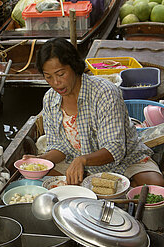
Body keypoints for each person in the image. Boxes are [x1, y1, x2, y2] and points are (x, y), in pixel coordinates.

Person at [25, 37, 164, 187]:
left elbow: (114, 149)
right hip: (78, 163)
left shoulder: (105, 93)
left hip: (126, 160)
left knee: (155, 187)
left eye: (60, 74)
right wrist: (40, 161)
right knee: (36, 182)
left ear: (74, 66)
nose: (56, 83)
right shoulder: (50, 99)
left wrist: (83, 160)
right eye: (48, 77)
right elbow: (59, 147)